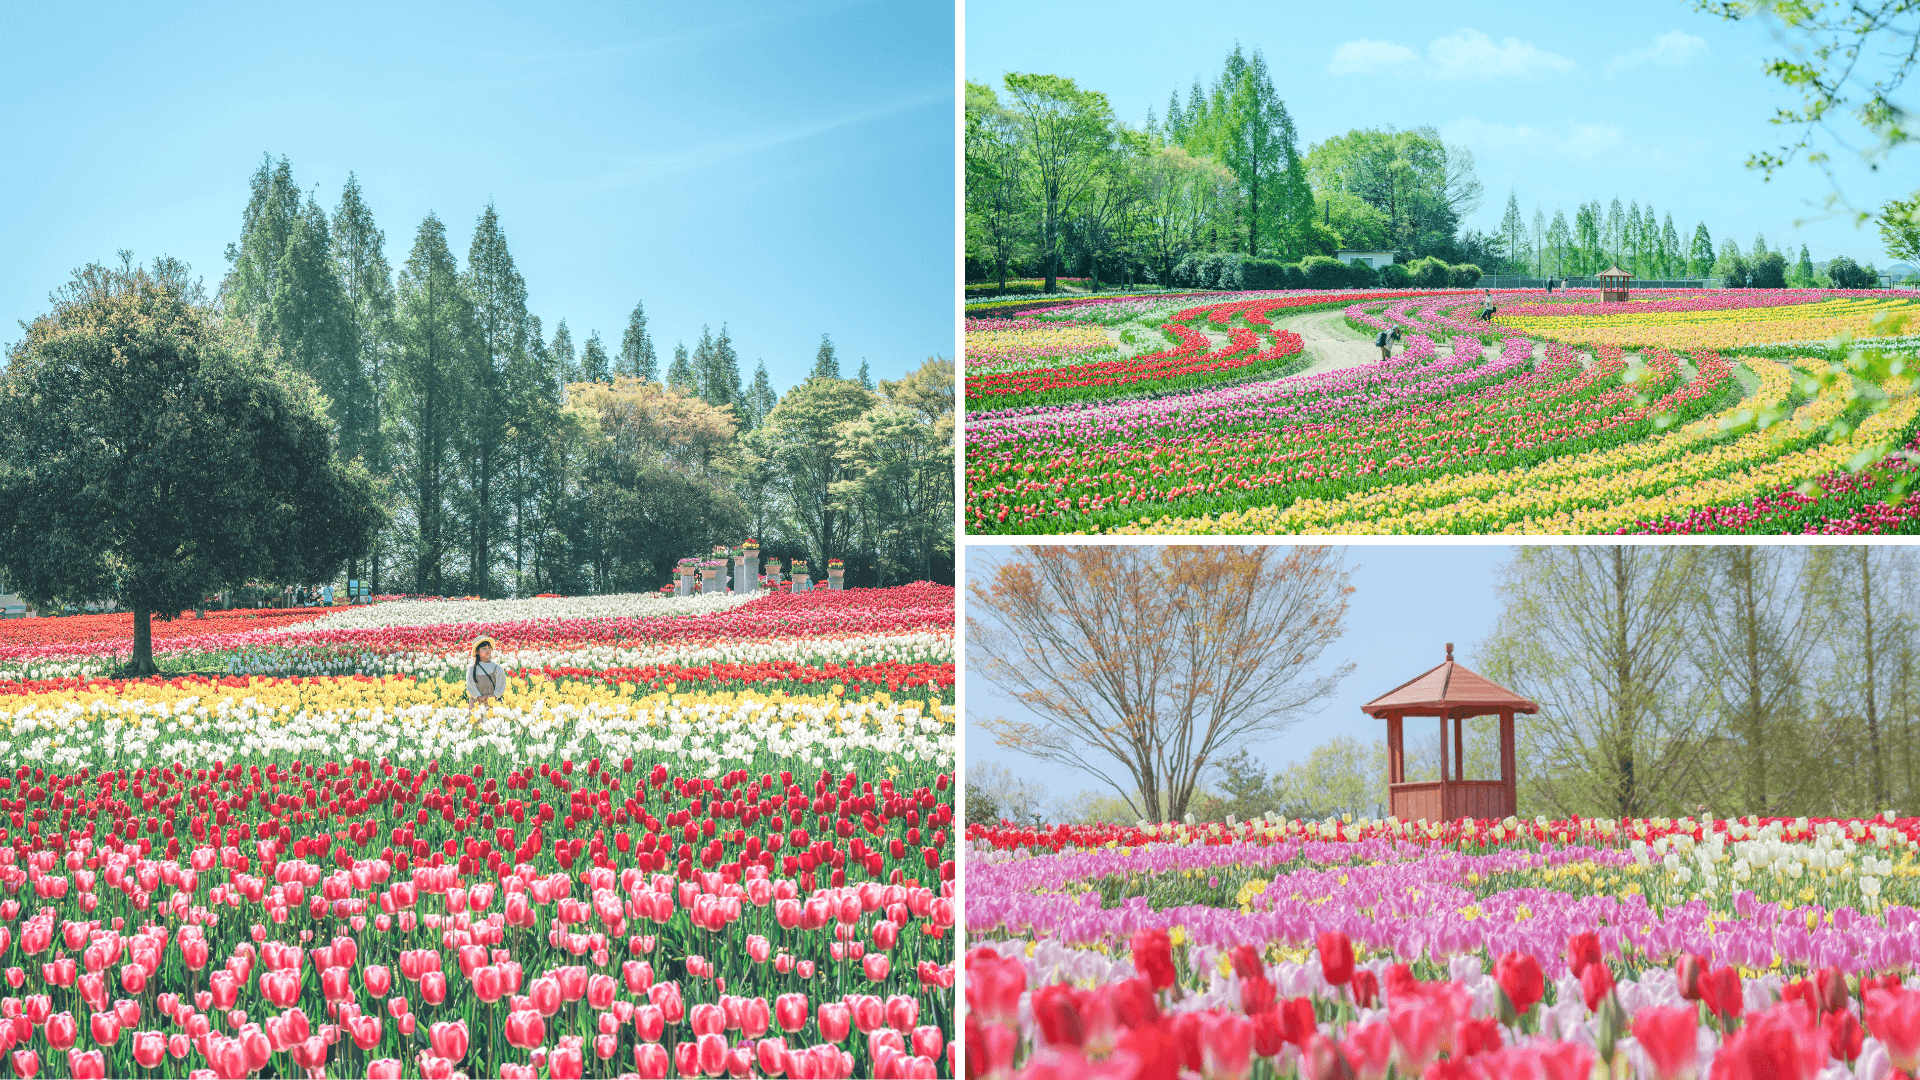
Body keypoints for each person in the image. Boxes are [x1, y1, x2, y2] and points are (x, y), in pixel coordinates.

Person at [467, 637, 505, 712]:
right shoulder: (472, 669)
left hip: (493, 702)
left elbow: (501, 685)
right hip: (477, 703)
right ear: (477, 651)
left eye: (489, 648)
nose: (487, 651)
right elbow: (470, 685)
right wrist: (479, 696)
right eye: (484, 648)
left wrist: (494, 696)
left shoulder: (497, 668)